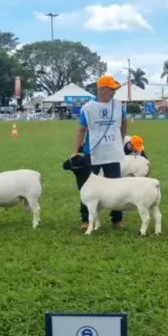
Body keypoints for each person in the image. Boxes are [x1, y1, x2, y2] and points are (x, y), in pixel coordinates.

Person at [72, 75, 127, 230]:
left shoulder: (118, 105)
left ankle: (117, 218)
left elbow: (124, 123)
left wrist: (120, 141)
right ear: (102, 89)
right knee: (87, 187)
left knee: (116, 186)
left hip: (112, 152)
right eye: (111, 89)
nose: (114, 92)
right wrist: (75, 151)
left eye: (115, 89)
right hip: (93, 152)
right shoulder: (88, 108)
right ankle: (85, 219)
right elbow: (81, 129)